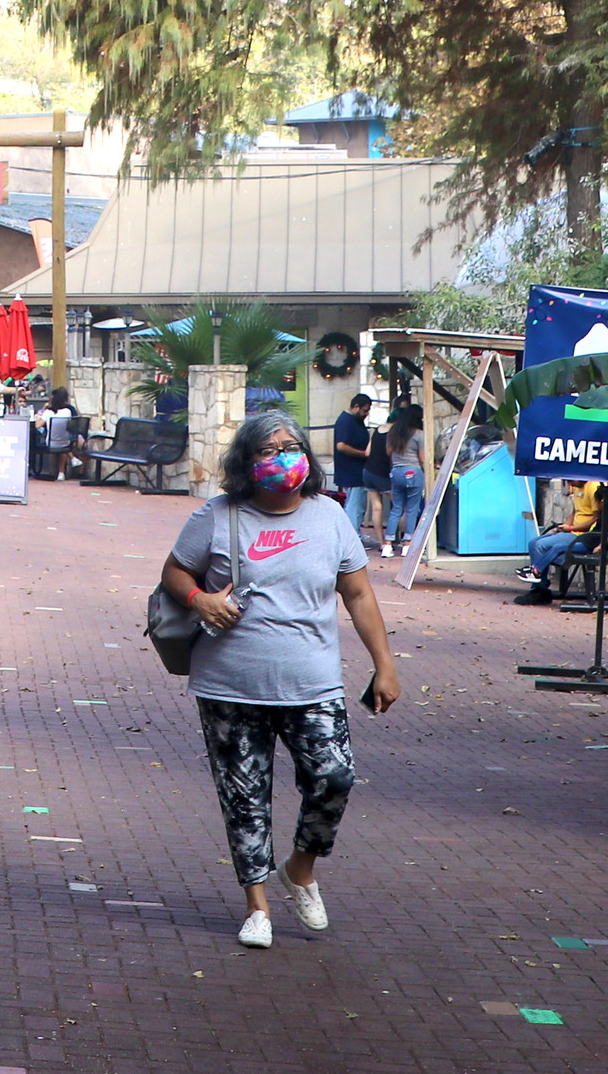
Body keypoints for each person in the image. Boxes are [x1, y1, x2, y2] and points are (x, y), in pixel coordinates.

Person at [157, 410, 402, 949]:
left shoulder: (330, 517)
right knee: (245, 797)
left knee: (333, 779)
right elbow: (174, 572)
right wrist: (200, 599)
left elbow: (358, 594)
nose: (281, 457)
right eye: (267, 450)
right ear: (246, 462)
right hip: (229, 683)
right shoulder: (217, 516)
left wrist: (383, 662)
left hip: (312, 684)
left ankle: (300, 870)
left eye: (290, 446)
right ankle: (258, 907)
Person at [516, 480, 608, 603]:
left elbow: (596, 519)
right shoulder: (577, 486)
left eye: (571, 481)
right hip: (572, 531)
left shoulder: (593, 488)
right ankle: (539, 587)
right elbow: (575, 512)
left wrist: (571, 528)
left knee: (541, 546)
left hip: (582, 535)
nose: (569, 484)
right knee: (533, 543)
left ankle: (539, 588)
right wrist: (565, 526)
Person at [380, 405, 429, 560]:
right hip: (413, 471)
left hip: (396, 471)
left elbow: (388, 452)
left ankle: (387, 545)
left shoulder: (393, 433)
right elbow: (422, 458)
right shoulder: (419, 435)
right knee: (412, 510)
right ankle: (407, 545)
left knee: (396, 509)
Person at [330, 392, 379, 537]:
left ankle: (354, 533)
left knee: (356, 504)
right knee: (355, 505)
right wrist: (363, 454)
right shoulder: (346, 421)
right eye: (365, 410)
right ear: (356, 407)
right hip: (351, 470)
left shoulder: (355, 421)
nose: (366, 414)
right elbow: (341, 446)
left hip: (356, 469)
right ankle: (352, 536)